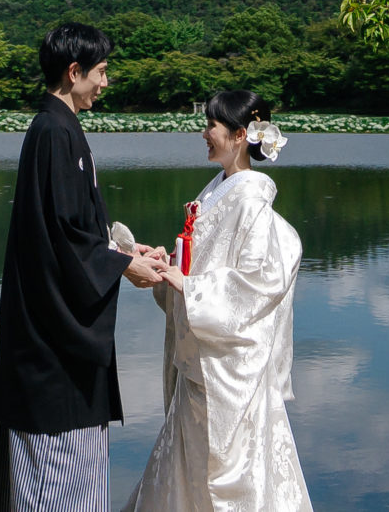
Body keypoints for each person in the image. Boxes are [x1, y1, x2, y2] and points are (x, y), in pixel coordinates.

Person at [0, 22, 167, 512]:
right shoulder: (53, 131)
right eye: (101, 72)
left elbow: (75, 227)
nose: (105, 82)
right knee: (50, 472)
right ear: (74, 71)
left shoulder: (60, 128)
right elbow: (61, 235)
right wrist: (121, 266)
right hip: (50, 341)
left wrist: (124, 251)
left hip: (54, 328)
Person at [122, 90, 310, 512]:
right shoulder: (218, 192)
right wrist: (168, 268)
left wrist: (189, 287)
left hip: (227, 366)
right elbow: (202, 263)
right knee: (188, 467)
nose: (205, 133)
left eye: (212, 125)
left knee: (229, 477)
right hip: (201, 358)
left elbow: (259, 285)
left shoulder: (251, 202)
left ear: (241, 135)